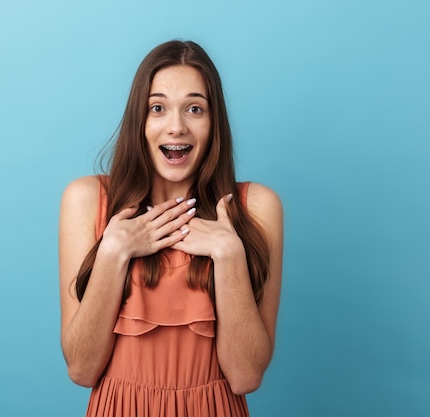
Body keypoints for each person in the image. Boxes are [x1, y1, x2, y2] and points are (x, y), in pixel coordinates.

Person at [58, 40, 283, 417]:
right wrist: (114, 252)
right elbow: (81, 368)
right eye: (158, 108)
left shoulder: (256, 207)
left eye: (194, 109)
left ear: (214, 123)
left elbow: (245, 377)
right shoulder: (88, 199)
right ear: (139, 122)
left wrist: (228, 254)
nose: (176, 127)